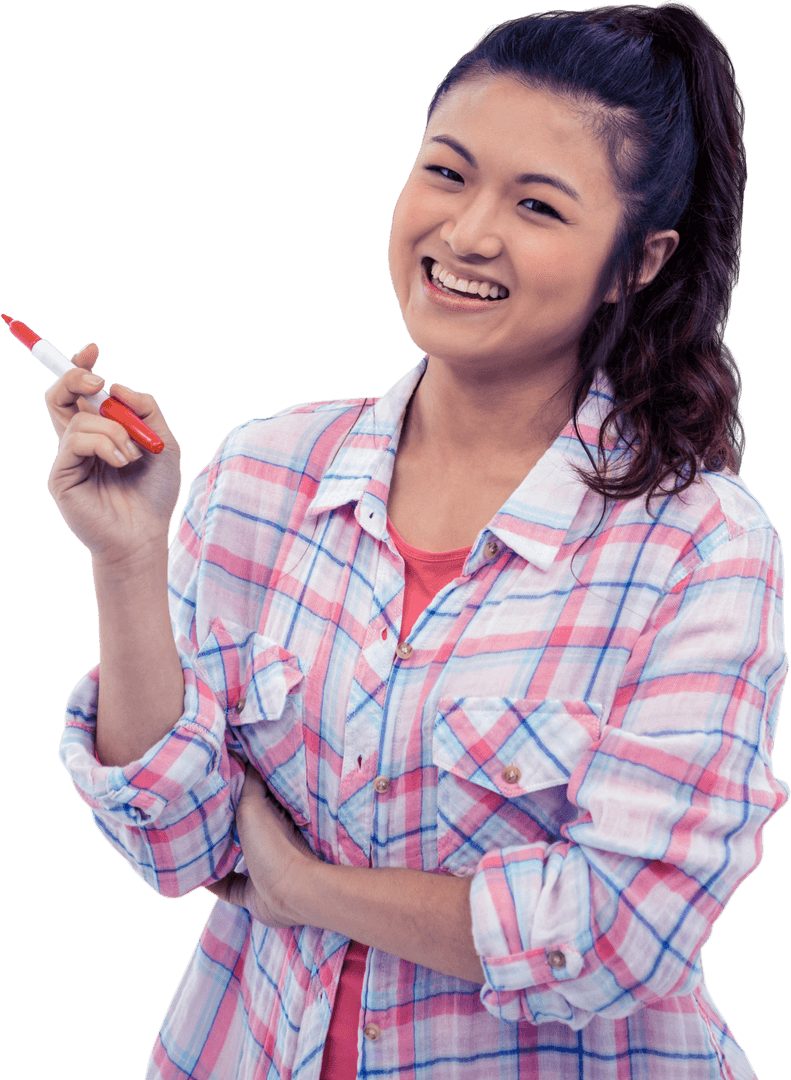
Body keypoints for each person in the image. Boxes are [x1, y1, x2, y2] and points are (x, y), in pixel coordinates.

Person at [48, 3, 786, 1077]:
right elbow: (176, 845)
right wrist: (125, 556)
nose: (467, 231)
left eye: (536, 204)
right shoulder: (264, 473)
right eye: (446, 172)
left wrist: (311, 894)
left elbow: (619, 936)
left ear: (636, 263)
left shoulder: (696, 547)